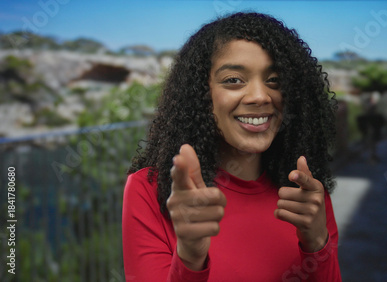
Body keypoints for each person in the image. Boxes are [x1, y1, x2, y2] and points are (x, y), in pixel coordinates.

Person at [122, 12, 341, 281]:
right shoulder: (148, 190)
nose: (260, 96)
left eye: (274, 79)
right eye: (234, 80)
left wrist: (317, 244)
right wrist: (190, 256)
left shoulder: (307, 197)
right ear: (201, 95)